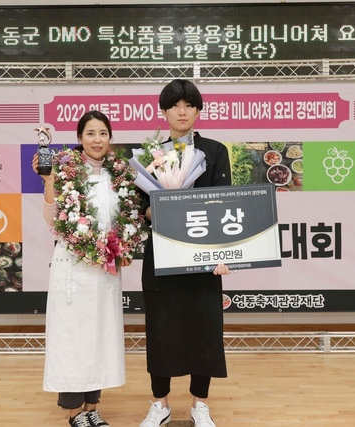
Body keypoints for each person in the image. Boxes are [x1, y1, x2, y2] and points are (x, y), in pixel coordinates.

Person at [33, 111, 146, 427]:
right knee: (73, 338)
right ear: (80, 137)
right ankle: (74, 412)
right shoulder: (66, 170)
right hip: (73, 267)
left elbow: (129, 218)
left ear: (110, 138)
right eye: (91, 133)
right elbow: (52, 220)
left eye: (103, 133)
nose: (97, 140)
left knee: (100, 337)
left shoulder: (119, 174)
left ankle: (92, 406)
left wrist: (123, 246)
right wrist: (49, 182)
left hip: (105, 269)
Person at [139, 79, 232, 427]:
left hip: (203, 256)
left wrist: (222, 254)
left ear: (198, 111)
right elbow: (140, 208)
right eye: (175, 105)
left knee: (204, 328)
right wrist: (162, 208)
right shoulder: (151, 154)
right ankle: (160, 404)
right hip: (162, 253)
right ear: (163, 111)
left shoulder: (215, 151)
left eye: (189, 105)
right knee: (161, 328)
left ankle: (200, 404)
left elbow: (224, 203)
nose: (182, 111)